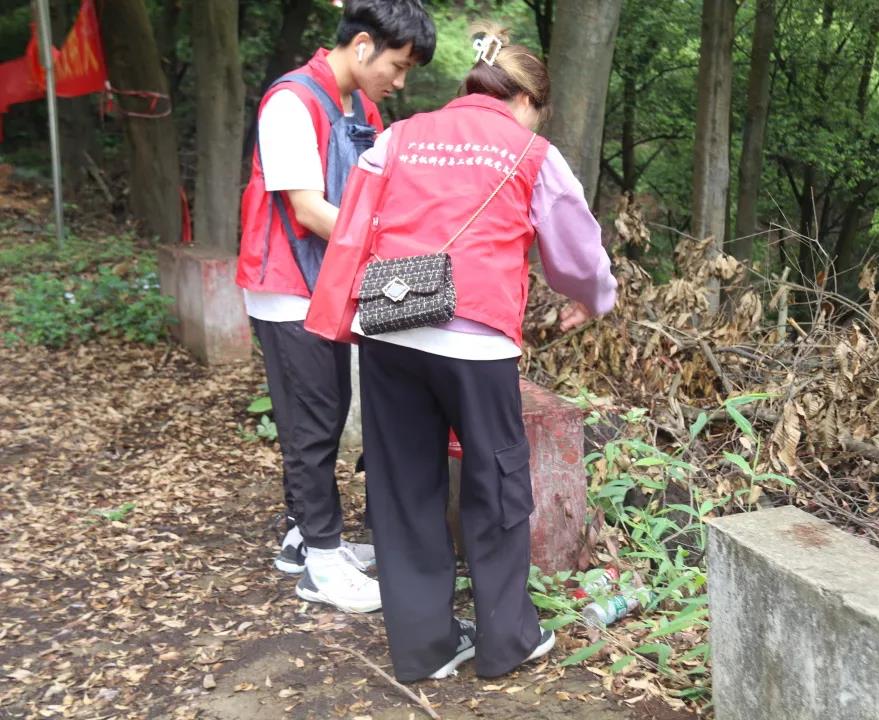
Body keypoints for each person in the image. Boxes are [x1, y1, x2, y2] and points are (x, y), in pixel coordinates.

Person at [307, 24, 618, 681]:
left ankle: (426, 647)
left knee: (403, 486)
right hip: (475, 338)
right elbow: (577, 249)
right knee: (496, 483)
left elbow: (356, 223)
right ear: (528, 100)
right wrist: (592, 298)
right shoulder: (531, 151)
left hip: (389, 326)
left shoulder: (398, 136)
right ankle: (507, 640)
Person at [235, 0, 436, 613]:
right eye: (398, 66)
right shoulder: (291, 102)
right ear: (364, 45)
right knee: (313, 420)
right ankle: (321, 562)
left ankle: (305, 538)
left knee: (326, 410)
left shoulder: (362, 107)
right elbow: (307, 208)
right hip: (288, 284)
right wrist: (389, 247)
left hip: (332, 279)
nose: (399, 82)